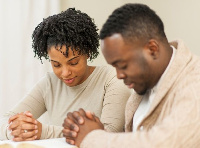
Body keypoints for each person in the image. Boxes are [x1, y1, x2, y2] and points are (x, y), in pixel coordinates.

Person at [62, 3, 200, 148]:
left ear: (152, 49)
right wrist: (89, 129)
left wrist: (92, 138)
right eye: (114, 66)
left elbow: (164, 143)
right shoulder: (145, 83)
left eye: (123, 65)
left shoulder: (195, 83)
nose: (119, 75)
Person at [0, 8, 131, 141]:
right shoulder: (49, 84)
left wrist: (43, 132)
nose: (65, 73)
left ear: (88, 53)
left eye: (73, 63)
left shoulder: (113, 79)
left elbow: (108, 134)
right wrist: (13, 131)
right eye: (56, 65)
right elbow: (5, 119)